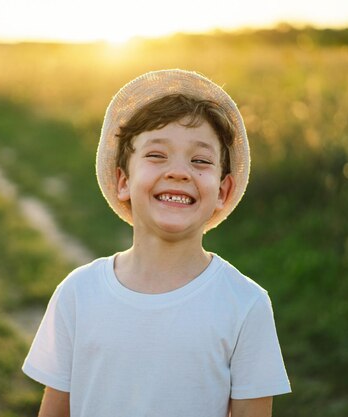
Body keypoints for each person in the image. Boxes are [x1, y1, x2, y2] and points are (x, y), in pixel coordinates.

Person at [22, 69, 291, 417]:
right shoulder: (78, 293)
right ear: (123, 182)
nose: (179, 171)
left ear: (222, 191)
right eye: (156, 155)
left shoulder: (245, 305)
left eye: (200, 160)